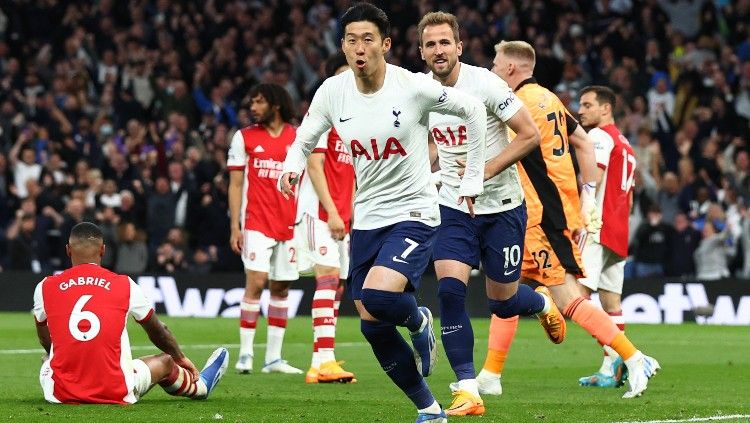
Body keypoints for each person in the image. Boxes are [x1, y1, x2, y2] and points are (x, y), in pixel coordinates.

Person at [279, 4, 488, 422]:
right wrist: (290, 166)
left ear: (386, 44)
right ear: (342, 45)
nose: (359, 48)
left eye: (368, 39)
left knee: (376, 297)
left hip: (414, 211)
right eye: (351, 40)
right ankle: (429, 409)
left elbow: (474, 110)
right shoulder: (332, 92)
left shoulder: (411, 87)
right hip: (367, 218)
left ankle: (418, 318)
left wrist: (472, 179)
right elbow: (304, 138)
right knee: (371, 324)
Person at [479, 40, 659, 399]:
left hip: (541, 214)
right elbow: (583, 143)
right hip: (536, 210)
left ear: (512, 68)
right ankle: (490, 374)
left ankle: (635, 357)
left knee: (569, 299)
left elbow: (504, 146)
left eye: (496, 64)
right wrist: (587, 197)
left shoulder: (518, 103)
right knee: (506, 286)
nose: (493, 70)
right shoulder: (550, 99)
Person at [418, 12, 565, 416]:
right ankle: (467, 387)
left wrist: (484, 170)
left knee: (500, 302)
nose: (438, 50)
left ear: (459, 47)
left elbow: (530, 135)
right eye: (430, 44)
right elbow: (431, 142)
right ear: (422, 51)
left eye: (444, 42)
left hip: (501, 207)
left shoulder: (485, 83)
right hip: (452, 207)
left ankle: (538, 303)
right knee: (449, 291)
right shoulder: (419, 91)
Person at [32, 222, 228, 404]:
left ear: (68, 250)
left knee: (47, 359)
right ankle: (201, 386)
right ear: (103, 250)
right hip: (116, 390)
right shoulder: (125, 285)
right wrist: (179, 356)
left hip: (59, 393)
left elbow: (44, 339)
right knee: (165, 362)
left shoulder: (45, 287)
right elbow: (158, 331)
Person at [228, 83, 303, 375]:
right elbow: (235, 185)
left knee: (281, 287)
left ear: (275, 104)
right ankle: (245, 354)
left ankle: (273, 358)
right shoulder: (244, 138)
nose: (253, 107)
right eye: (252, 102)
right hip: (256, 221)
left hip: (289, 221)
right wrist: (235, 226)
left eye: (259, 102)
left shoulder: (297, 137)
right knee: (256, 281)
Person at [295, 52, 356, 385]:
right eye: (342, 74)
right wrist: (332, 212)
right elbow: (315, 165)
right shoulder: (323, 113)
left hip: (341, 214)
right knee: (328, 278)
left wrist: (351, 213)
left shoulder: (355, 121)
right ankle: (326, 359)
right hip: (319, 210)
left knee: (338, 286)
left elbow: (352, 174)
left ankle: (321, 362)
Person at [576, 85, 640, 387]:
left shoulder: (598, 137)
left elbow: (594, 179)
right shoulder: (625, 142)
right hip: (618, 229)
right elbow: (628, 194)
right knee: (611, 302)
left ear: (606, 109)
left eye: (588, 105)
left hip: (596, 227)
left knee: (575, 298)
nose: (581, 110)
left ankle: (625, 356)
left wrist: (578, 217)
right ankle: (609, 368)